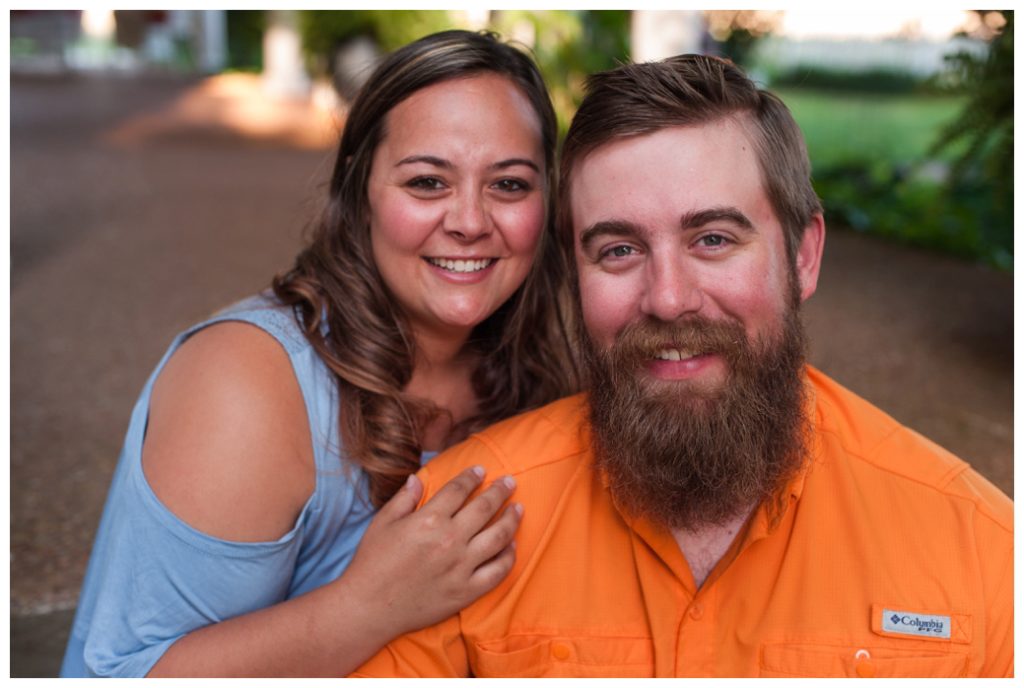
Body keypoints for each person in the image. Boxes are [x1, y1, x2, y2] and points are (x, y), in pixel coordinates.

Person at [353, 54, 1013, 678]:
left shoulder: (983, 552)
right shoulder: (459, 527)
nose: (668, 299)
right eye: (618, 250)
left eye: (714, 239)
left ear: (803, 257)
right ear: (573, 274)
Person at [60, 30, 578, 677]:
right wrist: (364, 608)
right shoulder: (249, 382)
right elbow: (125, 675)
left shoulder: (558, 369)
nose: (470, 220)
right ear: (361, 194)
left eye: (508, 184)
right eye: (426, 182)